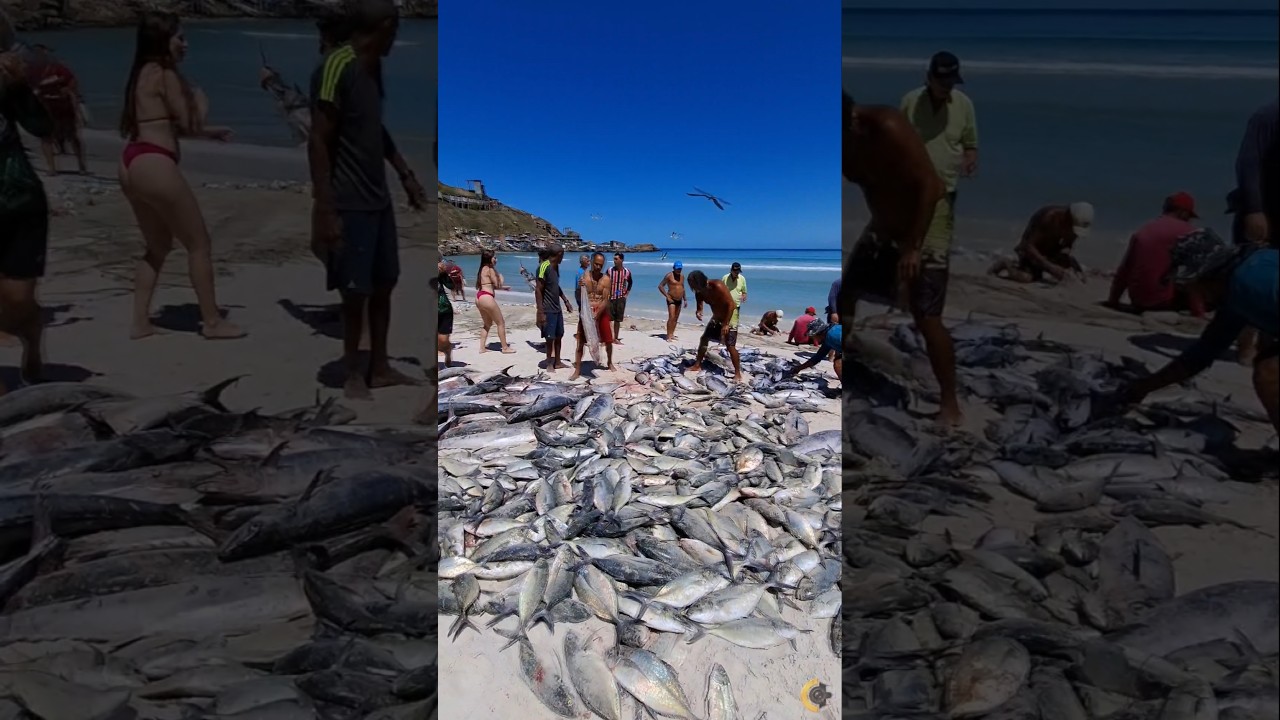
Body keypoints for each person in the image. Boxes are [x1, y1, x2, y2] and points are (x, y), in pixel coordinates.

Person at [309, 0, 425, 399]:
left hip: (378, 199)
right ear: (386, 26)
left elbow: (377, 130)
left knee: (384, 283)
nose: (397, 38)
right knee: (354, 291)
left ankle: (380, 366)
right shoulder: (336, 65)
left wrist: (405, 173)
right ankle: (353, 372)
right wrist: (324, 207)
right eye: (396, 30)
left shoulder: (373, 68)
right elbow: (318, 140)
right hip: (348, 199)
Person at [118, 11, 245, 341]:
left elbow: (160, 125)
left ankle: (139, 321)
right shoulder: (165, 73)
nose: (185, 45)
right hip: (155, 164)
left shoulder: (140, 73)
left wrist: (210, 133)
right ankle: (212, 322)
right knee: (199, 243)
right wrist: (203, 104)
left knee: (157, 245)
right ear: (164, 40)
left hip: (133, 160)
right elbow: (189, 122)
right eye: (181, 38)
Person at [844, 90, 961, 426]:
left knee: (926, 315)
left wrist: (912, 247)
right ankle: (843, 363)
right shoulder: (841, 144)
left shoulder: (887, 126)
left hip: (926, 222)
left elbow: (932, 186)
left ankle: (950, 404)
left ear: (853, 121)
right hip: (884, 224)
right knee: (847, 292)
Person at [1118, 245, 1278, 431]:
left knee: (1269, 373)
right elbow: (1202, 354)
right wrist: (1143, 387)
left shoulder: (1252, 282)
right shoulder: (1234, 294)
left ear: (1206, 276)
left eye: (1190, 287)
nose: (1193, 295)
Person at [0, 34, 54, 393]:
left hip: (18, 200)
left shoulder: (5, 81)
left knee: (16, 298)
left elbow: (42, 128)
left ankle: (32, 336)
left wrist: (20, 87)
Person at [1229, 99, 1278, 366]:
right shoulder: (1268, 116)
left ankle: (1270, 347)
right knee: (1249, 279)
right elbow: (1248, 162)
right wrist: (1254, 209)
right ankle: (1245, 346)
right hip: (1265, 212)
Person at [901, 51, 979, 215]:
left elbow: (970, 143)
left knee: (938, 240)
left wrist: (969, 160)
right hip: (911, 186)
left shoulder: (964, 104)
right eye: (942, 82)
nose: (947, 87)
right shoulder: (910, 101)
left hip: (945, 188)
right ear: (929, 78)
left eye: (951, 83)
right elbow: (897, 141)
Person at [1104, 193, 1202, 315]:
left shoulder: (1143, 230)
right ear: (1182, 212)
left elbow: (1124, 271)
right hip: (1164, 302)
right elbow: (1193, 276)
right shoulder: (1190, 233)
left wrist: (1113, 300)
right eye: (1189, 216)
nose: (1189, 220)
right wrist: (1198, 312)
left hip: (1138, 301)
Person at [988, 203, 1094, 284]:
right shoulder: (1049, 218)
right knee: (1027, 278)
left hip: (1052, 250)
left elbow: (1067, 246)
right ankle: (1007, 263)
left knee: (1078, 277)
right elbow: (1028, 245)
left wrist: (1066, 260)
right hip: (1031, 251)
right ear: (1067, 218)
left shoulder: (1073, 227)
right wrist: (1050, 267)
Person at [30, 44, 85, 176]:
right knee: (46, 136)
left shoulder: (59, 67)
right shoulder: (32, 70)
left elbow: (72, 82)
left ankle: (81, 165)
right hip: (45, 105)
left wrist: (75, 99)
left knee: (72, 135)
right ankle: (51, 167)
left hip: (63, 104)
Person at [686, 270, 743, 383]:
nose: (692, 287)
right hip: (717, 317)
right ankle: (697, 364)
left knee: (730, 345)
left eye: (693, 284)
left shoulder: (717, 285)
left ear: (699, 281)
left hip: (730, 316)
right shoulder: (699, 291)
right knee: (704, 339)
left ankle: (737, 373)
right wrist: (699, 311)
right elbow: (699, 302)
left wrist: (726, 324)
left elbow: (731, 304)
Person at [570, 252, 615, 380]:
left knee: (608, 340)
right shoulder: (584, 276)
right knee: (580, 342)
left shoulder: (606, 279)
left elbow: (606, 300)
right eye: (596, 264)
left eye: (601, 265)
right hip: (586, 311)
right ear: (591, 261)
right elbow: (579, 296)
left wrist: (597, 313)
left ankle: (609, 362)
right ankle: (577, 369)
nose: (598, 267)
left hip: (600, 310)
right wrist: (579, 289)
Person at [535, 245, 574, 372]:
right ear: (559, 254)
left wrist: (565, 300)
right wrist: (540, 311)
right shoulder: (543, 266)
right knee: (549, 337)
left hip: (557, 308)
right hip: (547, 308)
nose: (563, 258)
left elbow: (556, 286)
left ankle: (558, 361)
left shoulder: (556, 267)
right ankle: (549, 363)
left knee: (559, 335)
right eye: (563, 255)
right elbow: (538, 289)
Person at [474, 250, 514, 354]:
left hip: (479, 297)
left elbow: (488, 285)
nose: (496, 259)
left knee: (487, 323)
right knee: (500, 323)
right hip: (487, 298)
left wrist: (504, 288)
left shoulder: (482, 269)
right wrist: (501, 278)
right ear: (489, 258)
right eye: (494, 257)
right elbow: (497, 284)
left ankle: (482, 348)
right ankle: (505, 348)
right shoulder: (490, 269)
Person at [657, 260, 687, 342]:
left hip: (679, 300)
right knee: (671, 317)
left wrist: (685, 299)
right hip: (671, 299)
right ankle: (668, 335)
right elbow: (660, 286)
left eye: (680, 269)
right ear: (673, 268)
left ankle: (672, 334)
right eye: (677, 269)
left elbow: (683, 288)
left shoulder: (682, 276)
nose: (679, 270)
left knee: (676, 318)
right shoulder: (669, 276)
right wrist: (667, 296)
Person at [607, 252, 633, 344]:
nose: (614, 261)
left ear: (621, 260)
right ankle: (609, 337)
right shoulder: (610, 270)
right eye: (614, 259)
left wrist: (626, 294)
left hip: (621, 298)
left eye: (616, 259)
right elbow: (604, 281)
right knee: (609, 319)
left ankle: (616, 338)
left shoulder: (627, 272)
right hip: (610, 298)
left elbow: (630, 283)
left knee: (618, 319)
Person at [436, 259, 452, 368]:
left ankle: (448, 352)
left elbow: (451, 286)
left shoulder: (439, 274)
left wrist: (444, 273)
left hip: (444, 309)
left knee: (443, 340)